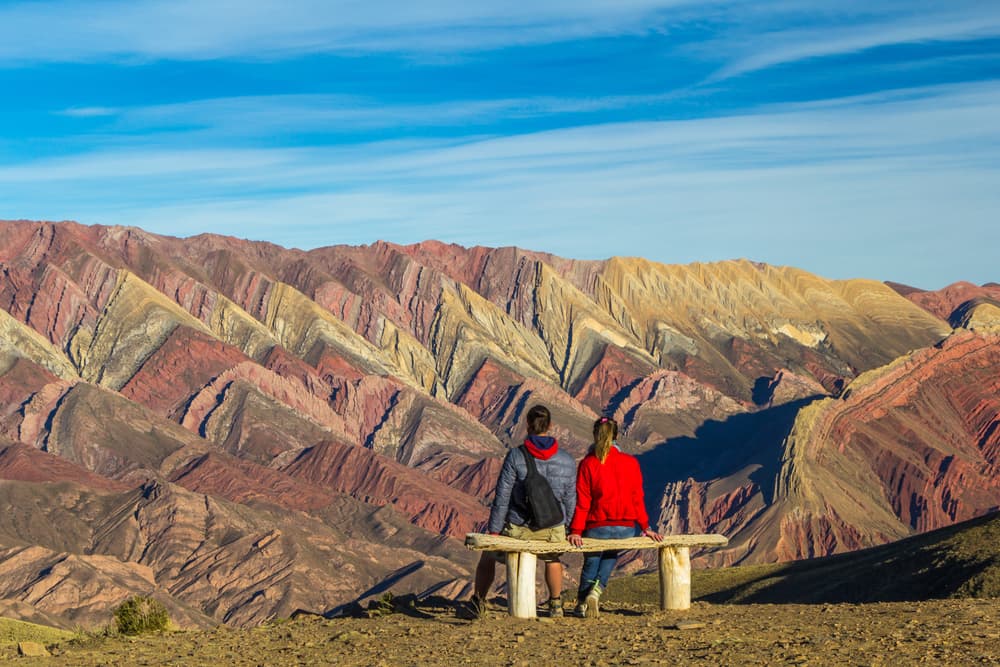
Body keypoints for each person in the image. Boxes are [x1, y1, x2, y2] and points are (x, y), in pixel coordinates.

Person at [468, 404, 576, 618]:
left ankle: (478, 600)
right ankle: (555, 604)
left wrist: (495, 531)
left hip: (519, 528)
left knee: (488, 555)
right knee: (553, 559)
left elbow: (502, 497)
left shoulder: (516, 456)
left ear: (528, 425)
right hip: (553, 529)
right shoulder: (566, 460)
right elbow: (570, 498)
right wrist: (571, 528)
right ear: (550, 426)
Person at [567, 416, 661, 618]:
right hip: (625, 527)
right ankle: (597, 590)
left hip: (597, 525)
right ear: (617, 435)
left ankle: (582, 603)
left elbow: (583, 502)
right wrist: (645, 527)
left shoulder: (588, 464)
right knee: (611, 554)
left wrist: (575, 530)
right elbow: (637, 498)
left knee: (591, 561)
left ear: (595, 435)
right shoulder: (631, 463)